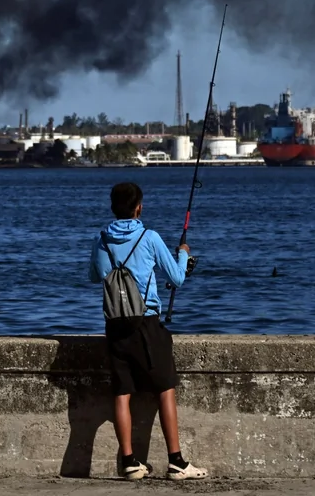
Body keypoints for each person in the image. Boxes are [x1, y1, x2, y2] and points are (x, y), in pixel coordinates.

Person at [88, 181, 207, 482]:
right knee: (165, 388)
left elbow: (94, 276)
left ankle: (129, 461)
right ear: (138, 208)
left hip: (115, 325)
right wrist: (182, 253)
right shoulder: (149, 237)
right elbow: (177, 279)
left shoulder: (101, 239)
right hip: (146, 322)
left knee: (122, 392)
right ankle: (177, 462)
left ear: (113, 207)